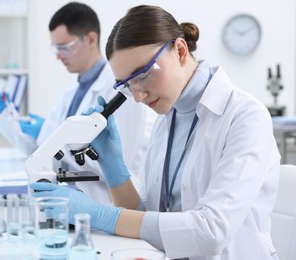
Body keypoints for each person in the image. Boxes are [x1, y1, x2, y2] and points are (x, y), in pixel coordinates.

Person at [31, 5, 280, 260]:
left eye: (143, 75)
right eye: (128, 85)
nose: (138, 96)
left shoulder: (245, 117)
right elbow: (150, 218)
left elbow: (210, 232)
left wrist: (98, 214)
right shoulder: (167, 118)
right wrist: (114, 169)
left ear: (180, 51)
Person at [0, 2, 146, 204]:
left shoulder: (121, 90)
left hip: (106, 204)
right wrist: (8, 119)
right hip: (70, 204)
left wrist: (46, 131)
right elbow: (41, 152)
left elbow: (119, 164)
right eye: (55, 48)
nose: (58, 55)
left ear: (90, 39)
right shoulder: (72, 91)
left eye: (65, 47)